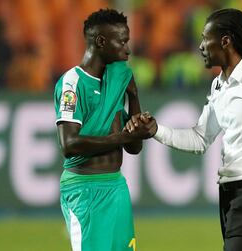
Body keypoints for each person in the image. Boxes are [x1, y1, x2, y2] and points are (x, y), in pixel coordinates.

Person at [125, 8, 242, 251]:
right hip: (229, 193)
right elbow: (200, 138)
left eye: (205, 38)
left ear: (225, 41)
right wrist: (156, 130)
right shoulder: (219, 85)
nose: (200, 46)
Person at [53, 8, 154, 251]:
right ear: (101, 41)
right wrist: (122, 136)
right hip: (83, 190)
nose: (127, 50)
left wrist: (134, 97)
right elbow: (69, 145)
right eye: (122, 41)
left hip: (116, 186)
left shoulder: (119, 80)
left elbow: (134, 147)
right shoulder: (72, 83)